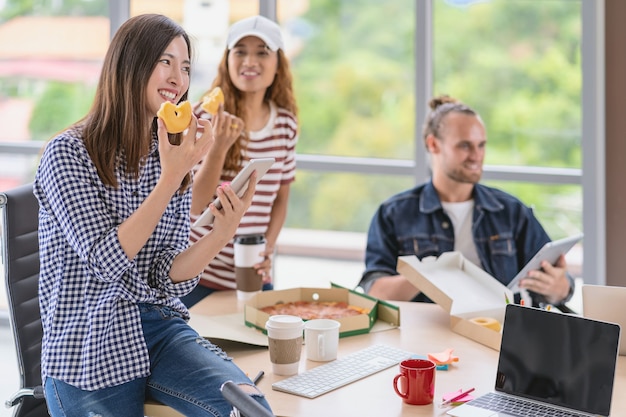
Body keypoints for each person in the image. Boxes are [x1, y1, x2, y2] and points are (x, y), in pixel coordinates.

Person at [34, 14, 273, 417]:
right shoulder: (67, 154)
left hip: (159, 327)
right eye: (166, 61)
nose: (178, 78)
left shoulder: (171, 151)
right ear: (130, 63)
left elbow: (167, 273)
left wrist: (222, 233)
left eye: (185, 67)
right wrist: (172, 176)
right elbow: (104, 262)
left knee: (247, 409)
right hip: (89, 345)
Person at [358, 95, 575, 307]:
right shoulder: (394, 214)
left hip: (499, 334)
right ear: (433, 144)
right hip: (427, 336)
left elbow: (561, 286)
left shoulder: (511, 212)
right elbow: (374, 292)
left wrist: (559, 288)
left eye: (481, 145)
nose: (476, 155)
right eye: (464, 145)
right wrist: (428, 274)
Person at [181, 15, 298, 307]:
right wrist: (218, 147)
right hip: (200, 275)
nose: (250, 61)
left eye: (262, 52)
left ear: (278, 65)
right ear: (227, 60)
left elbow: (281, 199)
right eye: (240, 51)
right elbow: (195, 203)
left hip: (254, 276)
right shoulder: (205, 117)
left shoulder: (285, 123)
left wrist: (267, 249)